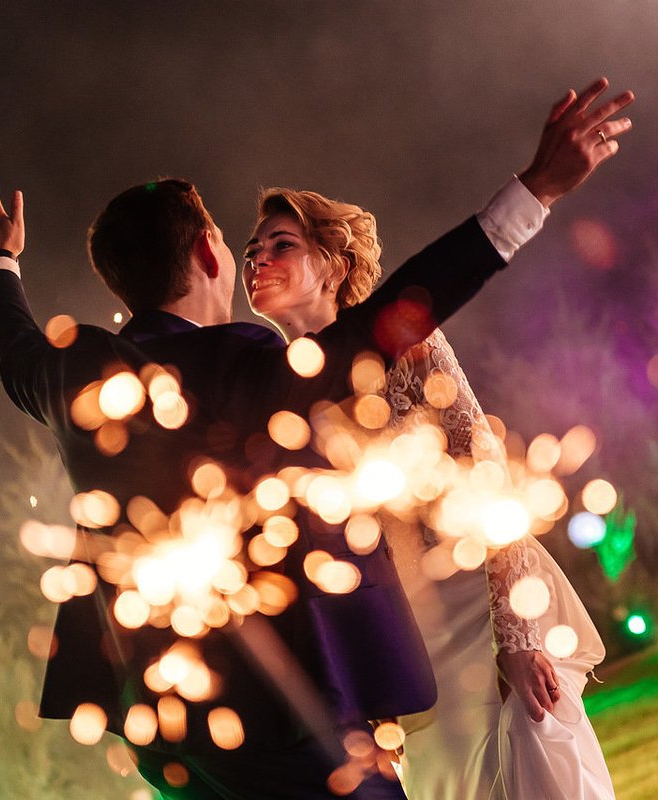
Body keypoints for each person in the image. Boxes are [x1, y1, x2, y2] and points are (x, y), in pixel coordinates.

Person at [0, 77, 632, 799]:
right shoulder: (254, 368)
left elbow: (10, 344)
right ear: (210, 254)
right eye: (241, 244)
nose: (255, 258)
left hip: (166, 732)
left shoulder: (73, 371)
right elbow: (404, 305)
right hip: (294, 720)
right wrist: (535, 190)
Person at [243, 183, 619, 799]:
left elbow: (487, 466)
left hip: (477, 603)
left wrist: (517, 640)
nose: (258, 258)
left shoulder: (406, 345)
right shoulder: (270, 394)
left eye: (281, 244)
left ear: (334, 266)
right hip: (400, 636)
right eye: (252, 250)